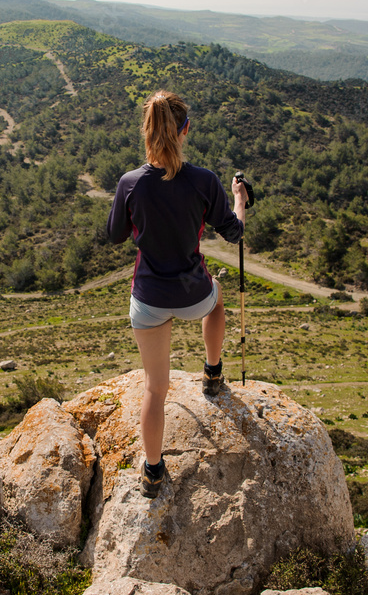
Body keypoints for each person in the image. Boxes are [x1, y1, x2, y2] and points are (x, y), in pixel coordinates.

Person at [106, 90, 248, 499]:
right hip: (192, 294)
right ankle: (213, 372)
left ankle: (152, 472)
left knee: (155, 387)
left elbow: (115, 235)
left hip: (149, 298)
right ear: (184, 130)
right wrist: (239, 199)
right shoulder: (204, 181)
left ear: (147, 131)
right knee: (217, 299)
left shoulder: (130, 183)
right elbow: (233, 231)